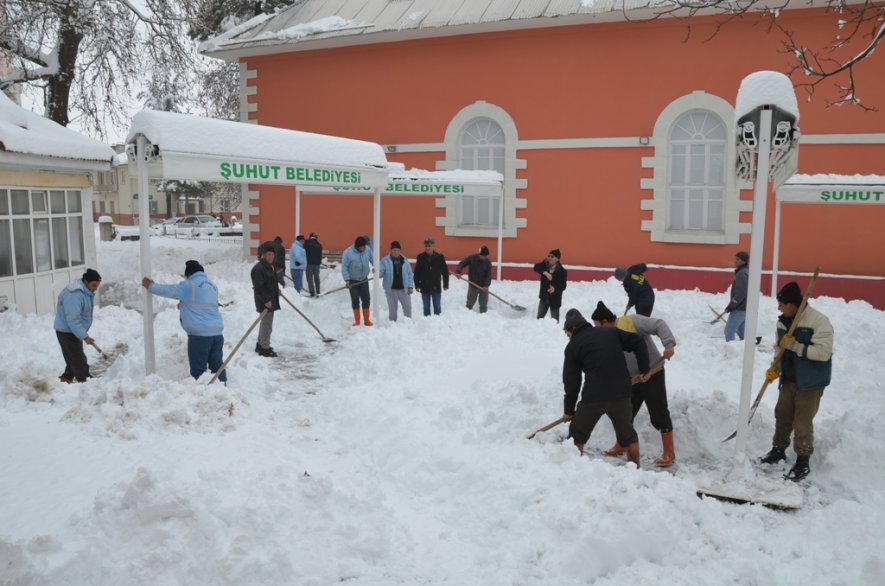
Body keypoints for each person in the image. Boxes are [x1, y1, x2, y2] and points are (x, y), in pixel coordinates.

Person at [760, 281, 833, 482]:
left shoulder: (818, 321)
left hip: (810, 381)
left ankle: (803, 460)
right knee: (782, 415)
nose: (779, 308)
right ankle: (778, 450)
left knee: (802, 422)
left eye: (782, 304)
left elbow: (823, 353)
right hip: (790, 378)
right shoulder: (782, 322)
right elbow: (779, 348)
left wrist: (795, 345)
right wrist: (775, 367)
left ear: (792, 305)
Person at [591, 301, 677, 466]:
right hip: (632, 380)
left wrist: (669, 345)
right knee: (625, 414)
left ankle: (669, 453)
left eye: (598, 326)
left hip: (653, 373)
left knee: (659, 414)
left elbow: (659, 324)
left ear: (605, 321)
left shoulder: (631, 321)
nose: (597, 330)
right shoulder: (607, 337)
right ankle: (622, 445)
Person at [561, 308, 650, 467]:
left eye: (567, 333)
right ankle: (635, 470)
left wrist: (569, 410)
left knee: (577, 435)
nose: (567, 336)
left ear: (573, 329)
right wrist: (644, 369)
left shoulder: (573, 346)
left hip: (594, 396)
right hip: (622, 392)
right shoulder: (610, 332)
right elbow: (638, 341)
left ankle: (572, 470)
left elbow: (572, 381)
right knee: (628, 435)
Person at [142, 260, 226, 383]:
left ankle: (200, 392)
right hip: (217, 334)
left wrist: (150, 286)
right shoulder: (212, 286)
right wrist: (184, 305)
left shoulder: (189, 285)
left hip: (200, 337)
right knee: (217, 367)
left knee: (199, 371)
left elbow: (169, 290)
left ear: (189, 274)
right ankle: (223, 390)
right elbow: (203, 303)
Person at [54, 268, 102, 383]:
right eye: (93, 285)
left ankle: (66, 379)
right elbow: (73, 319)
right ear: (86, 282)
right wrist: (85, 336)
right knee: (78, 359)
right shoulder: (75, 295)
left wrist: (82, 334)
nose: (95, 289)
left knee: (73, 356)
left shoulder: (83, 291)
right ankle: (86, 382)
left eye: (97, 286)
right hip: (67, 331)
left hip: (71, 330)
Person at [251, 241, 281, 357]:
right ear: (263, 255)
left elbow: (270, 282)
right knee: (267, 325)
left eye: (272, 254)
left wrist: (276, 290)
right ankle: (264, 348)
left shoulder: (269, 266)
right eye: (268, 254)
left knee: (265, 323)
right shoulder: (259, 268)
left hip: (270, 299)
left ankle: (260, 344)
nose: (271, 256)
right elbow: (259, 287)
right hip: (265, 301)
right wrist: (266, 300)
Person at [342, 235, 373, 326]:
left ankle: (367, 320)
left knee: (366, 299)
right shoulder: (348, 253)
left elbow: (373, 259)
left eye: (364, 246)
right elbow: (344, 267)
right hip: (353, 281)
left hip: (364, 279)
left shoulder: (367, 249)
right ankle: (357, 321)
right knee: (355, 300)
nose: (363, 249)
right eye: (361, 247)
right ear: (357, 246)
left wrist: (376, 267)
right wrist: (347, 280)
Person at [413, 237, 449, 316]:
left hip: (436, 286)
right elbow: (417, 272)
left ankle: (438, 322)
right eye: (426, 246)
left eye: (429, 246)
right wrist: (417, 285)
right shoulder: (420, 257)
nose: (427, 248)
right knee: (426, 307)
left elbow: (445, 272)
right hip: (424, 286)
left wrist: (445, 284)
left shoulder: (440, 257)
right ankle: (426, 321)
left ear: (433, 246)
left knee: (437, 307)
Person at [379, 241, 414, 321]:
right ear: (391, 250)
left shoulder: (404, 260)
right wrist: (377, 271)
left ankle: (408, 323)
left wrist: (410, 286)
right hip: (391, 290)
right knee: (392, 311)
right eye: (394, 250)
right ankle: (392, 325)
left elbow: (410, 274)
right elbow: (380, 274)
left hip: (404, 289)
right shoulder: (385, 261)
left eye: (398, 250)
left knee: (408, 308)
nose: (396, 252)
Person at [533, 248, 568, 323]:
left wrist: (554, 289)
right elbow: (536, 267)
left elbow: (563, 286)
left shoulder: (562, 271)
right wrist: (545, 273)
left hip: (555, 298)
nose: (549, 258)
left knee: (555, 321)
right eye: (548, 256)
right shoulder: (544, 264)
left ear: (557, 259)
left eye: (552, 256)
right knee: (539, 319)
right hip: (544, 297)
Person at [455, 246, 492, 313]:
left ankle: (484, 317)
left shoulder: (488, 263)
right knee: (469, 304)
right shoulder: (472, 258)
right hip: (473, 285)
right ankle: (466, 315)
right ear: (480, 254)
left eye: (486, 256)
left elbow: (488, 276)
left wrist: (486, 286)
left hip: (483, 287)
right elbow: (462, 263)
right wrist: (458, 271)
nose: (485, 257)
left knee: (483, 305)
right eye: (484, 256)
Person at [724, 251, 749, 342]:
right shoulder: (746, 271)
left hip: (739, 308)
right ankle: (744, 348)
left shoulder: (741, 274)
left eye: (738, 259)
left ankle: (731, 349)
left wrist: (731, 306)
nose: (735, 261)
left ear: (744, 261)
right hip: (745, 307)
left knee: (729, 330)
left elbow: (740, 293)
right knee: (742, 333)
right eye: (735, 259)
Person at [304, 232, 323, 297]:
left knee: (310, 278)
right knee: (317, 277)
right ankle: (318, 290)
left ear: (310, 236)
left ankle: (312, 292)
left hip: (309, 263)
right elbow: (320, 255)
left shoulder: (307, 242)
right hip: (317, 264)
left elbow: (303, 251)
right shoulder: (319, 244)